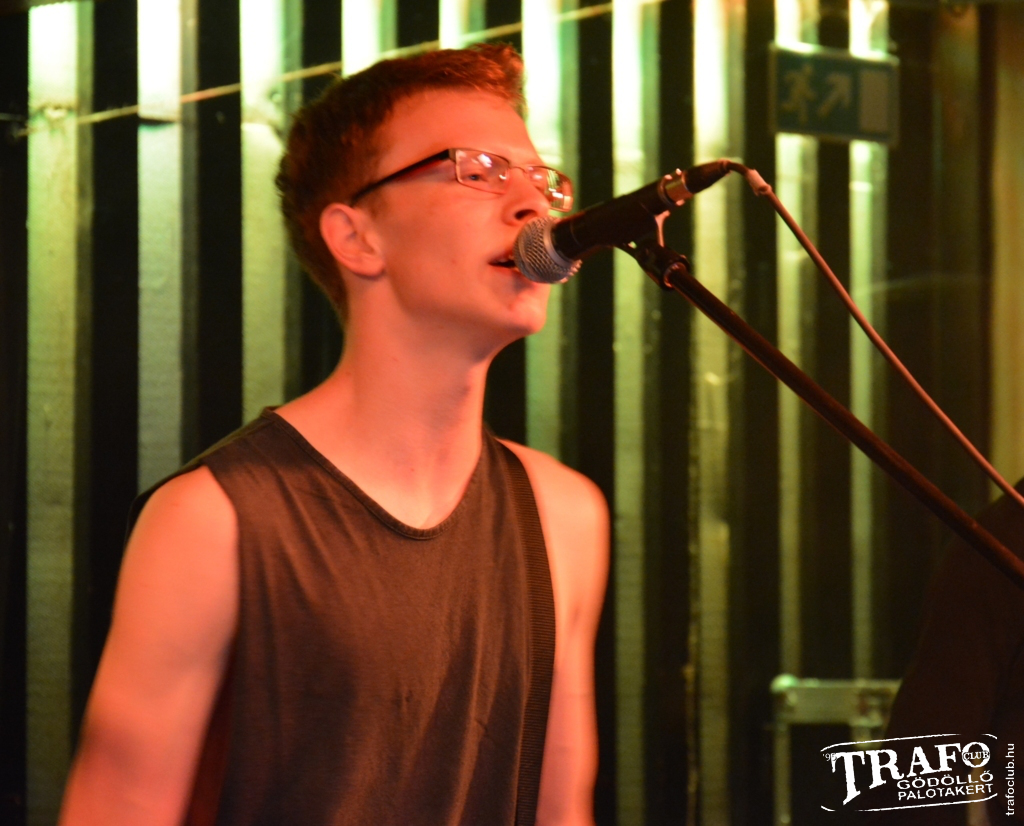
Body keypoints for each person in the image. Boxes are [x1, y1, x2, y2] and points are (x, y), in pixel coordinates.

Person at [59, 44, 609, 826]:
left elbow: (561, 808)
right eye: (479, 170)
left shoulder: (566, 516)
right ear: (356, 238)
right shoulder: (211, 521)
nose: (534, 206)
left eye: (543, 179)